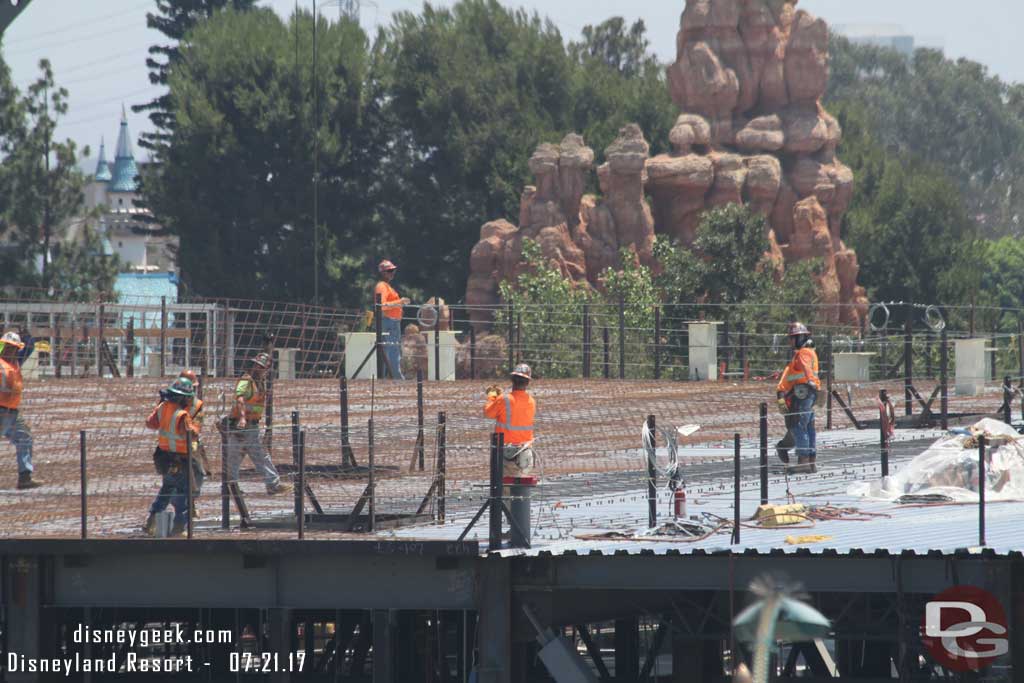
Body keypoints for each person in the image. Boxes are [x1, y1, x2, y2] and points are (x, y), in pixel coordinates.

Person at [143, 377, 202, 536]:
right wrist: (195, 428)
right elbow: (191, 433)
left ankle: (152, 519)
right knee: (184, 492)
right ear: (183, 397)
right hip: (179, 460)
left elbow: (150, 423)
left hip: (164, 458)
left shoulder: (162, 407)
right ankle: (179, 528)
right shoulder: (182, 415)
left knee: (166, 490)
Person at [226, 352, 290, 494]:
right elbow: (240, 399)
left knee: (256, 456)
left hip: (252, 426)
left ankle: (271, 485)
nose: (259, 369)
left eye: (262, 367)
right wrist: (242, 418)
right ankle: (233, 488)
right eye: (258, 366)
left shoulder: (260, 383)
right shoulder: (246, 381)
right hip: (240, 426)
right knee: (237, 456)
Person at [776, 322, 820, 473]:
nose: (790, 341)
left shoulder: (803, 353)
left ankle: (803, 462)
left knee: (798, 426)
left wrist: (809, 381)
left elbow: (806, 368)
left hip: (803, 393)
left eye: (792, 338)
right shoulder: (810, 352)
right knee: (809, 427)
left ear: (800, 338)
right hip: (810, 393)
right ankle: (811, 462)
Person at [0, 330, 42, 489]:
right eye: (8, 347)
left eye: (14, 348)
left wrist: (28, 336)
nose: (11, 350)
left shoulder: (16, 362)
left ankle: (25, 477)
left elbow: (29, 348)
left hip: (12, 412)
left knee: (25, 438)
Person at [484, 363, 536, 479]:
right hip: (525, 452)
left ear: (512, 380)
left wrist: (492, 396)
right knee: (521, 490)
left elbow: (488, 413)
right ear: (527, 382)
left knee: (505, 489)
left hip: (506, 453)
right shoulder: (531, 401)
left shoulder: (503, 399)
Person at [374, 260, 410, 379]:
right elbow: (382, 306)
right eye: (390, 271)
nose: (392, 273)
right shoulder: (382, 286)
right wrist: (401, 302)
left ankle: (385, 380)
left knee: (388, 352)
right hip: (389, 322)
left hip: (390, 322)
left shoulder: (386, 286)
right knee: (393, 352)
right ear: (383, 273)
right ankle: (399, 381)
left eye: (393, 270)